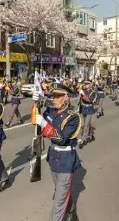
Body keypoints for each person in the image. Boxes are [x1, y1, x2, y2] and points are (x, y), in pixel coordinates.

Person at [35, 82, 82, 221]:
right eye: (53, 96)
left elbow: (61, 138)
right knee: (61, 192)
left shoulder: (73, 117)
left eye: (58, 96)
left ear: (66, 98)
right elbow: (40, 119)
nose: (54, 99)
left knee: (58, 203)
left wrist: (44, 124)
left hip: (66, 160)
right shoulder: (51, 112)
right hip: (53, 158)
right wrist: (37, 102)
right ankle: (72, 211)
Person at [78, 80, 96, 149]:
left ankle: (83, 139)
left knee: (85, 125)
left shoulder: (92, 92)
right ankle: (91, 134)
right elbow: (80, 100)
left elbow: (90, 100)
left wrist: (83, 94)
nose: (85, 85)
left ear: (90, 85)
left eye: (87, 84)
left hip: (89, 110)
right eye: (85, 84)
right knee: (87, 124)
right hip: (84, 109)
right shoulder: (83, 90)